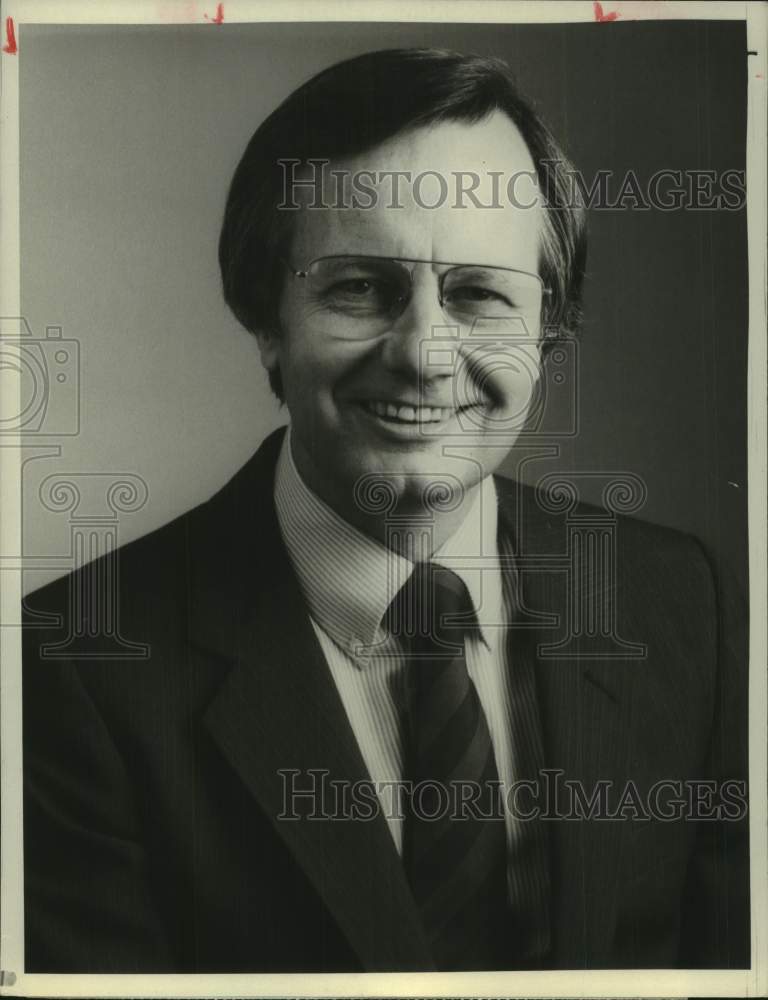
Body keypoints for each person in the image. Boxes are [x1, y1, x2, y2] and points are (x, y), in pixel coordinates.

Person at [22, 47, 749, 973]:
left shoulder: (685, 606)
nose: (424, 355)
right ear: (265, 324)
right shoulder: (72, 669)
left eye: (479, 294)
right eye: (359, 288)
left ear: (549, 335)